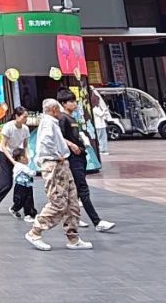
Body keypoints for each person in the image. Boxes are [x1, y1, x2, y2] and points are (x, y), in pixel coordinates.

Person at [25, 99, 91, 251]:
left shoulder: (51, 122)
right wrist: (57, 155)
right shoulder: (48, 123)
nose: (61, 113)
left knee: (72, 202)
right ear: (54, 109)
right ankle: (35, 232)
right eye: (59, 109)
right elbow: (46, 141)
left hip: (61, 164)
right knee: (58, 202)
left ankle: (73, 237)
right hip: (54, 165)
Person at [57, 89, 115, 233]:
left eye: (74, 101)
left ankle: (74, 217)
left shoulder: (72, 118)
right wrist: (72, 145)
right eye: (71, 101)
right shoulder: (63, 118)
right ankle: (97, 221)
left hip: (80, 155)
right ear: (63, 103)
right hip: (73, 158)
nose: (74, 104)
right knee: (82, 189)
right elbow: (59, 137)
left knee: (75, 190)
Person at [0, 106, 30, 215]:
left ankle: (17, 207)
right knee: (6, 183)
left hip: (17, 155)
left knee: (23, 182)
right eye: (24, 117)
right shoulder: (8, 127)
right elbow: (3, 146)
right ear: (17, 116)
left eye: (26, 117)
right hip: (5, 154)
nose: (26, 119)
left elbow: (25, 145)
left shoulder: (25, 129)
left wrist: (26, 157)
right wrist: (12, 161)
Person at [10, 147, 38, 222]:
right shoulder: (21, 166)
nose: (28, 158)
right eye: (26, 156)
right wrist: (36, 172)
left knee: (28, 200)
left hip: (26, 186)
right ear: (22, 158)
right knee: (21, 200)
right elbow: (31, 173)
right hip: (21, 187)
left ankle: (30, 213)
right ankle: (16, 209)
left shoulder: (21, 165)